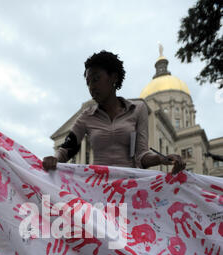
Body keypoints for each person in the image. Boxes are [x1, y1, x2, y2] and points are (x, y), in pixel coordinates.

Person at [42, 51, 185, 174]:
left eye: (96, 79)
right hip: (99, 185)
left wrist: (162, 158)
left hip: (128, 185)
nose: (91, 87)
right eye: (88, 82)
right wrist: (55, 158)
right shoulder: (86, 116)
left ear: (114, 77)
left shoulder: (138, 109)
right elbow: (68, 147)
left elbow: (142, 156)